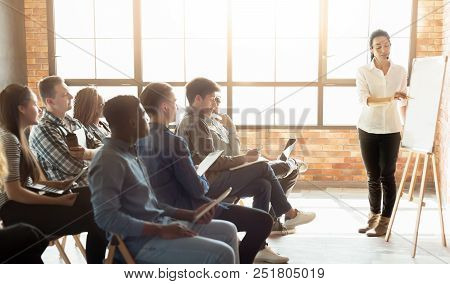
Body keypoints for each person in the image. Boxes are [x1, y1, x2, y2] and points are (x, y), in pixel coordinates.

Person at [136, 82, 286, 263]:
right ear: (165, 106)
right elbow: (199, 189)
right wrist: (199, 175)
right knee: (263, 221)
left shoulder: (137, 141)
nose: (177, 107)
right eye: (175, 102)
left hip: (161, 208)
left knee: (262, 184)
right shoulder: (173, 142)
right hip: (190, 209)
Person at [89, 95, 239, 264]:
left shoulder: (132, 153)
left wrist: (191, 215)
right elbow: (106, 218)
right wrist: (160, 229)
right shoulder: (108, 160)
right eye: (143, 115)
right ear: (132, 122)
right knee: (222, 253)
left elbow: (152, 203)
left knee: (229, 230)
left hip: (160, 225)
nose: (148, 119)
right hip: (138, 242)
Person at [176, 77, 316, 232]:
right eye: (212, 98)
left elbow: (214, 157)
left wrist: (244, 158)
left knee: (263, 185)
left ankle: (260, 243)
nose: (215, 103)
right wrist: (246, 159)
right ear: (197, 99)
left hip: (213, 177)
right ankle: (290, 213)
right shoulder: (195, 121)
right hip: (207, 182)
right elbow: (212, 162)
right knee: (263, 167)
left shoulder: (197, 120)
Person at [0, 84, 107, 263]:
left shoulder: (16, 136)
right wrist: (55, 200)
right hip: (15, 210)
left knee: (95, 197)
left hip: (22, 204)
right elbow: (13, 192)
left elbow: (26, 183)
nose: (39, 108)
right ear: (21, 108)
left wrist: (56, 186)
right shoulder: (9, 139)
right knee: (98, 213)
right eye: (35, 104)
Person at [207, 93, 309, 234]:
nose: (216, 106)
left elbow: (235, 152)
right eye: (212, 101)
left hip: (236, 169)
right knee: (277, 167)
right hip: (227, 174)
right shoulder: (203, 126)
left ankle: (268, 228)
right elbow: (216, 160)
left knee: (267, 182)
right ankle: (293, 164)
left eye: (217, 102)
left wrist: (230, 128)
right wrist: (245, 158)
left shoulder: (220, 126)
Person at [356, 29, 409, 237]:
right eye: (378, 46)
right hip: (368, 128)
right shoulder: (363, 71)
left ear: (390, 46)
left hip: (391, 130)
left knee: (387, 175)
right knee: (372, 176)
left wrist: (404, 103)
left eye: (386, 45)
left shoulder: (400, 70)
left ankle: (385, 222)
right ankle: (373, 217)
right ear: (372, 49)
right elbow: (365, 99)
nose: (383, 49)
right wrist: (390, 98)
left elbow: (403, 101)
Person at [29, 76, 102, 187]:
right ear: (50, 101)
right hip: (74, 193)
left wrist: (89, 153)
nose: (71, 96)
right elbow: (73, 167)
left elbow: (102, 147)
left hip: (95, 185)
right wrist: (101, 158)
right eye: (64, 95)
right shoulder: (43, 129)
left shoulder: (74, 122)